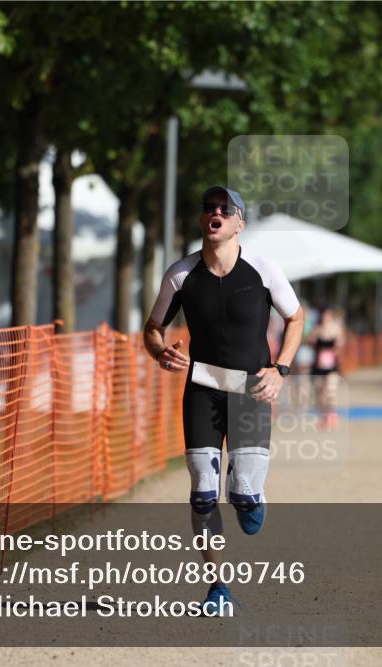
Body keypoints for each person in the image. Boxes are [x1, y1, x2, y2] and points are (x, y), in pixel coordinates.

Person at [143, 185, 304, 616]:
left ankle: (251, 494)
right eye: (209, 209)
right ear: (203, 221)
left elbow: (295, 316)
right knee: (201, 492)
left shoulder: (263, 270)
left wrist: (280, 369)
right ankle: (218, 587)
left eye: (225, 209)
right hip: (204, 383)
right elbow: (152, 326)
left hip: (251, 386)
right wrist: (159, 351)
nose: (215, 213)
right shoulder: (180, 275)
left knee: (243, 495)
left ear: (239, 223)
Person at [307, 305, 346, 429]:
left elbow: (341, 344)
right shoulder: (316, 328)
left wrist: (335, 351)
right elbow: (309, 342)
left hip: (332, 366)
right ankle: (322, 417)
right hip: (318, 366)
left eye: (328, 314)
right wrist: (315, 335)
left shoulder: (337, 328)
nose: (326, 317)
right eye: (324, 314)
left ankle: (332, 415)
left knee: (330, 390)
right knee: (319, 393)